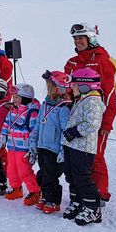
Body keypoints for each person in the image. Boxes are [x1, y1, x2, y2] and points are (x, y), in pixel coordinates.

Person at [64, 23, 116, 202]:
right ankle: (82, 194)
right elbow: (67, 90)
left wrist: (107, 123)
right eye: (76, 38)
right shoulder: (72, 62)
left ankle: (99, 194)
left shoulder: (101, 60)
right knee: (78, 157)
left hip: (96, 117)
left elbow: (109, 94)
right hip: (75, 117)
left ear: (91, 38)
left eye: (81, 38)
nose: (78, 41)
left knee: (95, 156)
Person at [61, 68, 105, 226]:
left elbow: (93, 124)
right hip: (72, 146)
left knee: (82, 178)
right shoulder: (81, 100)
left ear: (85, 86)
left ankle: (93, 208)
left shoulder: (93, 102)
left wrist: (75, 132)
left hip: (83, 148)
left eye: (74, 85)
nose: (72, 88)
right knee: (71, 175)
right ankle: (77, 202)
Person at [27, 71, 72, 214]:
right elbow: (38, 124)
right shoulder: (45, 104)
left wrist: (63, 150)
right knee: (42, 174)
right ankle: (45, 196)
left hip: (54, 148)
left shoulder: (63, 107)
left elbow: (65, 129)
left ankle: (53, 201)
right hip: (42, 146)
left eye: (50, 85)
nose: (47, 88)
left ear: (59, 88)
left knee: (51, 176)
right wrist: (33, 140)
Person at [0, 83, 41, 205]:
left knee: (24, 170)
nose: (14, 99)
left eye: (17, 97)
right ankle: (16, 188)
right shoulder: (13, 109)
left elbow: (34, 130)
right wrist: (3, 135)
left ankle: (35, 191)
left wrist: (33, 147)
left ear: (25, 98)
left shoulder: (31, 112)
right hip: (12, 145)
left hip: (24, 147)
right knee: (11, 168)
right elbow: (7, 122)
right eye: (13, 97)